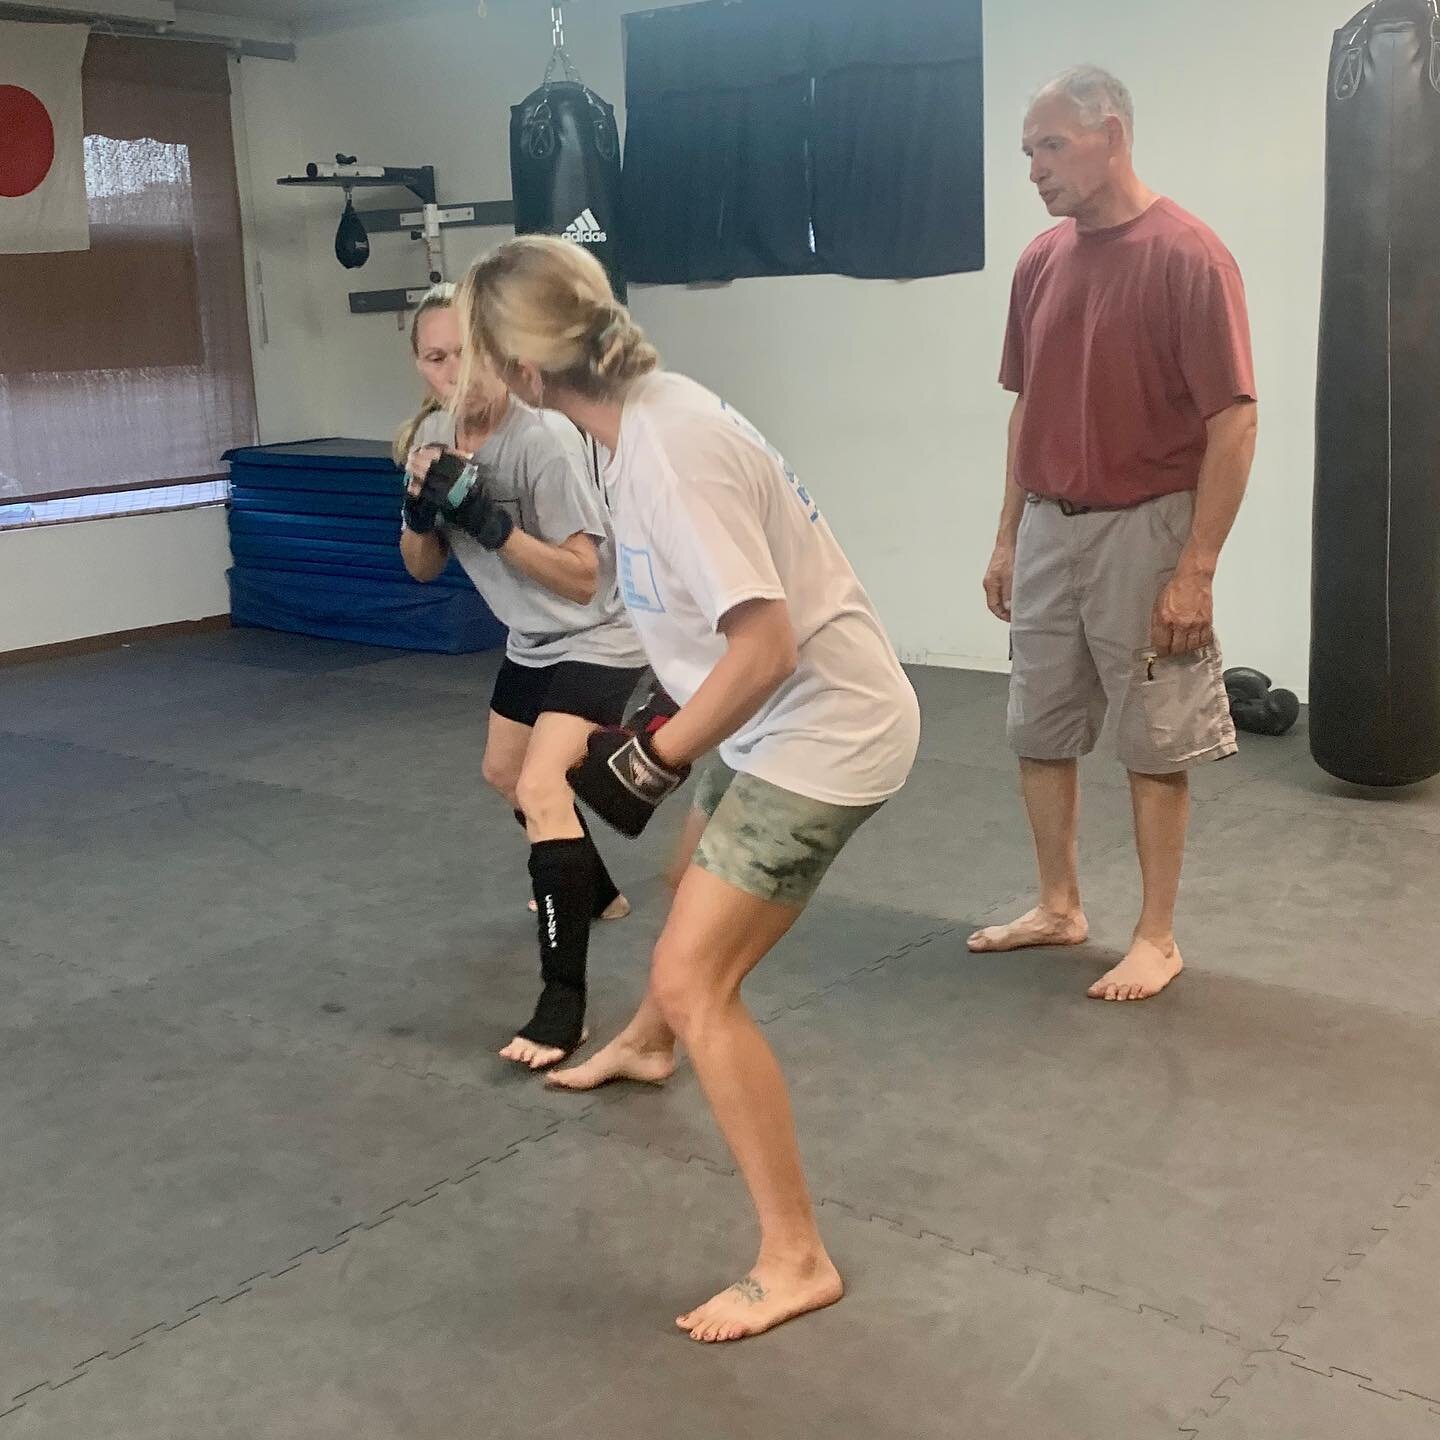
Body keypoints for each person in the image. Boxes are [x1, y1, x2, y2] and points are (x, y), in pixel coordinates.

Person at [453, 236, 920, 1343]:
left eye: (471, 355)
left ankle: (796, 1256)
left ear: (523, 372)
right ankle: (648, 1043)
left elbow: (762, 644)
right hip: (769, 722)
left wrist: (657, 754)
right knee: (679, 884)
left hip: (822, 733)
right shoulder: (631, 423)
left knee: (694, 973)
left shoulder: (669, 450)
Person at [971, 66, 1258, 1002]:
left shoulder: (1190, 257)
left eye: (1051, 147)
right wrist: (1008, 536)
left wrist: (1198, 569)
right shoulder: (1039, 261)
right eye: (1028, 152)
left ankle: (1158, 935)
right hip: (1052, 525)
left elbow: (1234, 422)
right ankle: (1060, 906)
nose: (1035, 170)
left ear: (1112, 137)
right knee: (1038, 729)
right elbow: (1025, 411)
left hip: (1147, 530)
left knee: (1154, 739)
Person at [395, 283, 649, 1069]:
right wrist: (422, 513)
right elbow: (420, 569)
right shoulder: (431, 439)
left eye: (465, 355)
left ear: (499, 356)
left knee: (543, 788)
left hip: (602, 635)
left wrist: (492, 525)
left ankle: (562, 1004)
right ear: (420, 366)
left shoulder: (541, 441)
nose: (453, 374)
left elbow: (581, 578)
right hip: (534, 642)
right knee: (505, 773)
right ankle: (597, 890)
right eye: (436, 358)